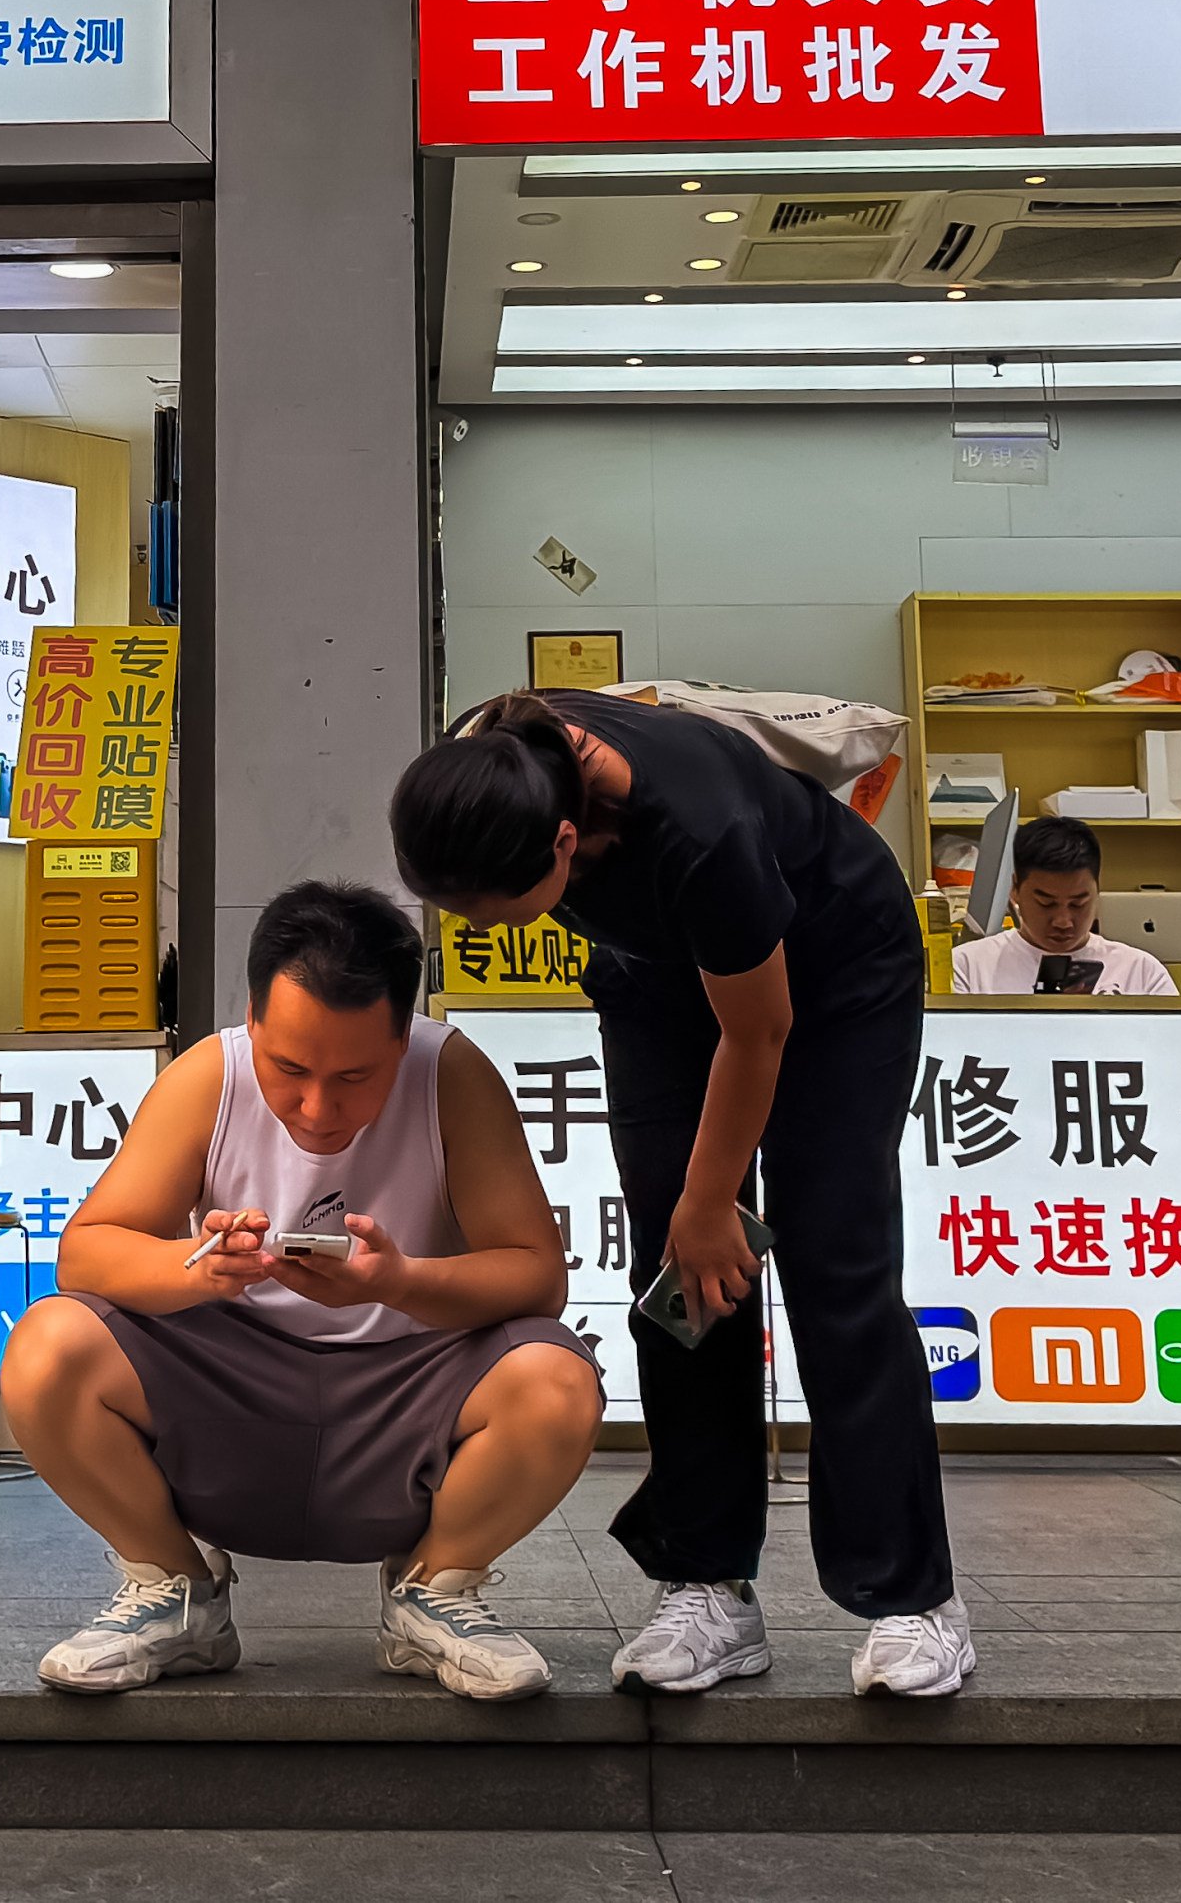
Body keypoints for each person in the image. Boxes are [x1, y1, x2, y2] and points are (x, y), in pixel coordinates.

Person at [391, 692, 971, 1700]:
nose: (477, 923)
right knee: (679, 1287)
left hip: (832, 973)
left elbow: (758, 1032)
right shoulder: (487, 764)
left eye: (492, 904)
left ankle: (912, 1599)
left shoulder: (703, 831)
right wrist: (689, 1227)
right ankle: (707, 1583)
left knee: (836, 1261)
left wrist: (711, 1208)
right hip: (659, 975)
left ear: (564, 842)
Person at [5, 882, 601, 1701]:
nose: (318, 1109)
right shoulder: (207, 1076)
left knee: (556, 1378)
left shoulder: (452, 1073)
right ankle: (176, 1591)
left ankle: (435, 1590)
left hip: (408, 1393)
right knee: (48, 1347)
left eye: (356, 1075)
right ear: (252, 1021)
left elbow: (535, 1274)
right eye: (288, 1069)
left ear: (403, 1038)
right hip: (232, 1396)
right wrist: (197, 1269)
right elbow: (86, 1252)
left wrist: (398, 1281)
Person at [947, 817, 1180, 997]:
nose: (1063, 921)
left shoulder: (1141, 972)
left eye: (1078, 903)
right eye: (1046, 903)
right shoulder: (966, 968)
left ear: (1097, 891)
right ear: (1014, 889)